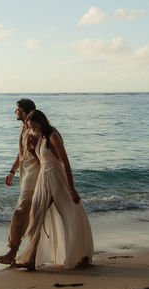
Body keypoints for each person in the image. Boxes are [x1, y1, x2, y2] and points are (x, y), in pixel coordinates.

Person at [13, 109, 94, 270]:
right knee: (36, 215)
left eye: (35, 126)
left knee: (71, 213)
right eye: (31, 127)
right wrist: (31, 147)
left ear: (41, 122)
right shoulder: (41, 137)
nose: (33, 130)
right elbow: (42, 158)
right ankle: (30, 258)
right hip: (43, 178)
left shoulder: (53, 136)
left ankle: (81, 255)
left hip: (56, 177)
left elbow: (64, 162)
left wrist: (71, 188)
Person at [0, 98, 39, 265]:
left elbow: (41, 153)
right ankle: (27, 253)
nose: (15, 112)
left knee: (21, 211)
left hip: (35, 174)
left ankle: (12, 252)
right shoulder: (23, 127)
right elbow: (21, 153)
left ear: (24, 113)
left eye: (17, 109)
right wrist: (13, 171)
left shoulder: (35, 130)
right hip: (25, 173)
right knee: (31, 213)